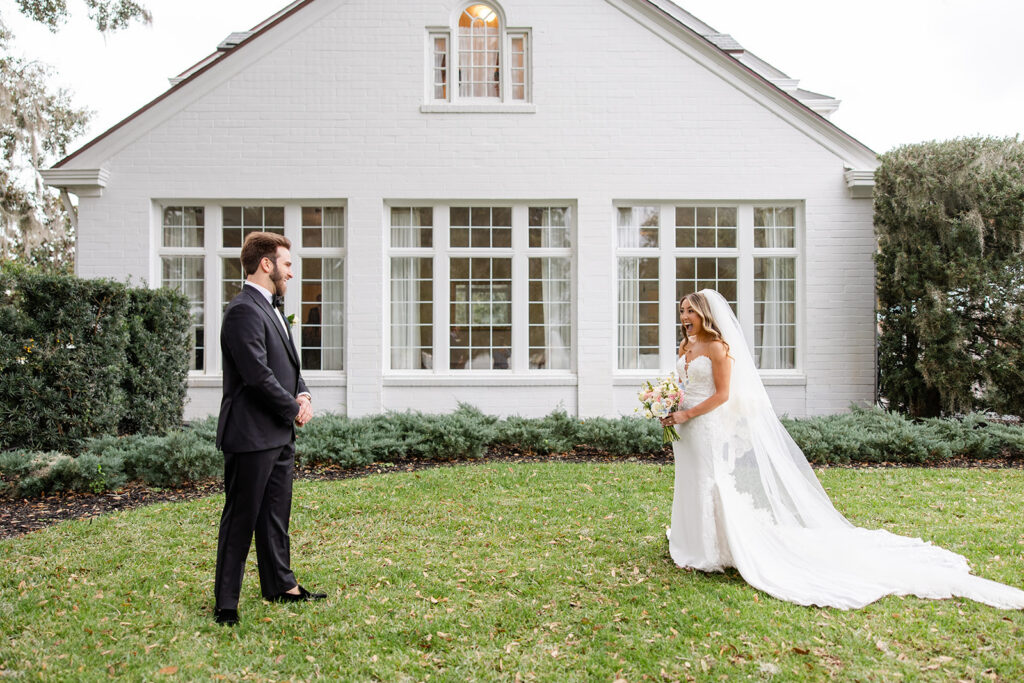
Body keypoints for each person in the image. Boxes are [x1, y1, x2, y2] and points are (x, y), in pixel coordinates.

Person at [660, 289, 1024, 609]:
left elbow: (722, 395)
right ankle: (693, 539)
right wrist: (666, 406)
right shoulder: (687, 346)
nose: (684, 317)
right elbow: (683, 383)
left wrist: (688, 412)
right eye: (681, 311)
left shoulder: (719, 348)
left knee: (711, 480)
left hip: (703, 424)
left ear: (705, 314)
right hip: (684, 426)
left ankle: (712, 549)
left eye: (690, 311)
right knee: (689, 479)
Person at [213, 232, 325, 625]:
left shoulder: (273, 307)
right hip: (250, 434)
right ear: (266, 264)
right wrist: (291, 407)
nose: (291, 273)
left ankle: (282, 585)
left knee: (276, 515)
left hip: (279, 432)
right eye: (288, 264)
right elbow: (256, 374)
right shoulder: (243, 310)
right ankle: (226, 602)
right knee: (240, 518)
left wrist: (304, 393)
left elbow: (288, 366)